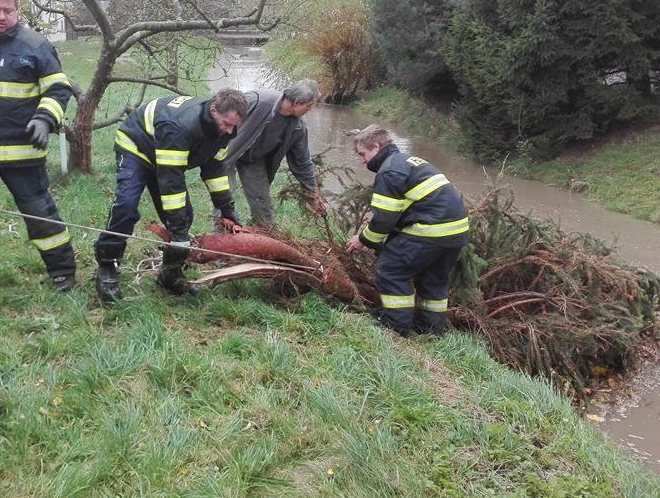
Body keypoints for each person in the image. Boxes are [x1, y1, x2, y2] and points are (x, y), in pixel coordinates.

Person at [0, 0, 77, 292]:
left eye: (8, 11)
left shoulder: (35, 45)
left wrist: (45, 119)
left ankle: (63, 273)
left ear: (17, 11)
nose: (1, 16)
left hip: (23, 150)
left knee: (41, 214)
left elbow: (58, 88)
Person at [94, 89, 248, 303]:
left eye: (234, 126)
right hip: (137, 148)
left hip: (166, 157)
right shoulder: (179, 126)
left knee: (184, 216)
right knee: (126, 207)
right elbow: (170, 181)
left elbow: (214, 170)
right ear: (213, 109)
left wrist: (227, 208)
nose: (229, 131)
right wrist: (178, 233)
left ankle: (170, 273)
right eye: (226, 123)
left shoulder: (224, 130)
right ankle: (107, 266)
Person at [345, 124, 468, 336]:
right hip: (456, 233)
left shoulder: (389, 170)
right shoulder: (408, 161)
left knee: (392, 270)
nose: (362, 161)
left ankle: (395, 326)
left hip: (431, 230)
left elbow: (384, 219)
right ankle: (431, 331)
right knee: (433, 280)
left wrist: (362, 240)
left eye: (362, 154)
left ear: (376, 146)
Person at [221, 79, 327, 226]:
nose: (310, 110)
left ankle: (263, 237)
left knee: (263, 208)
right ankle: (220, 238)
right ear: (296, 103)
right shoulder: (257, 100)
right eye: (309, 106)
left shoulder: (298, 128)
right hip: (227, 154)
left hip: (254, 160)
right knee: (224, 200)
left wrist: (313, 194)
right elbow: (221, 116)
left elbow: (302, 163)